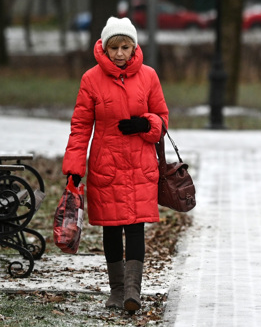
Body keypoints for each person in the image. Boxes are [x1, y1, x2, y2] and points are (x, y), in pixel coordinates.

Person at [62, 16, 169, 313]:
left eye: (125, 47)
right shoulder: (91, 79)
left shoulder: (149, 76)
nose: (120, 53)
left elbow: (162, 119)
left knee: (135, 228)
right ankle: (117, 290)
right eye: (114, 48)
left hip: (139, 164)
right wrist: (74, 166)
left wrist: (143, 124)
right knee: (111, 229)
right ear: (104, 48)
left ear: (134, 47)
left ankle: (133, 291)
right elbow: (81, 126)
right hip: (105, 165)